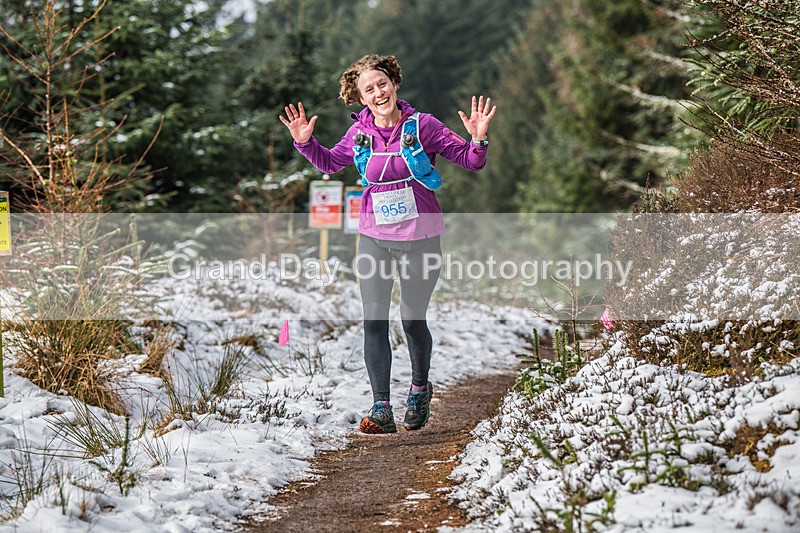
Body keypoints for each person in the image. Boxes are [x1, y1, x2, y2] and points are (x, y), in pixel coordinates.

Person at [280, 54, 495, 434]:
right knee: (374, 321)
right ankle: (381, 406)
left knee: (412, 322)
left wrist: (478, 139)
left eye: (382, 84)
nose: (378, 92)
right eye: (369, 89)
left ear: (394, 84)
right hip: (374, 239)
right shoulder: (359, 134)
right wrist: (305, 144)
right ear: (360, 97)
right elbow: (330, 163)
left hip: (421, 239)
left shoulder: (422, 126)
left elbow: (470, 161)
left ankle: (418, 390)